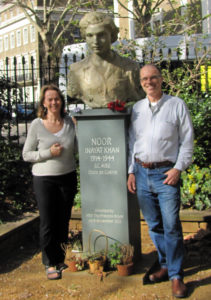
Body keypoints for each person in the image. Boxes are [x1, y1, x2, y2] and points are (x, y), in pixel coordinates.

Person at [127, 64, 194, 298]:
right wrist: (131, 171)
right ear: (141, 82)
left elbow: (187, 141)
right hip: (142, 174)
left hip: (167, 174)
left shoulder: (176, 105)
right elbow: (132, 142)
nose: (149, 81)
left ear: (161, 79)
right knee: (154, 225)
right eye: (144, 78)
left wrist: (178, 169)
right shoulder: (136, 109)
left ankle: (176, 276)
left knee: (172, 225)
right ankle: (165, 264)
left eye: (153, 77)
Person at [23, 84, 77, 280]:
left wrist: (82, 130)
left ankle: (60, 259)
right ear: (44, 103)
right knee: (48, 222)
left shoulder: (70, 123)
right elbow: (26, 154)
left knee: (63, 220)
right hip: (44, 179)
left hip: (68, 176)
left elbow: (77, 149)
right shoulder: (37, 124)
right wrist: (48, 153)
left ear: (61, 101)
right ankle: (49, 262)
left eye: (57, 99)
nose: (54, 102)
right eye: (50, 99)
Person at [67, 12, 142, 108]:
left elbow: (137, 98)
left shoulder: (130, 67)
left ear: (112, 36)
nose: (95, 41)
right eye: (90, 35)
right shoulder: (76, 70)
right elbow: (73, 98)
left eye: (101, 35)